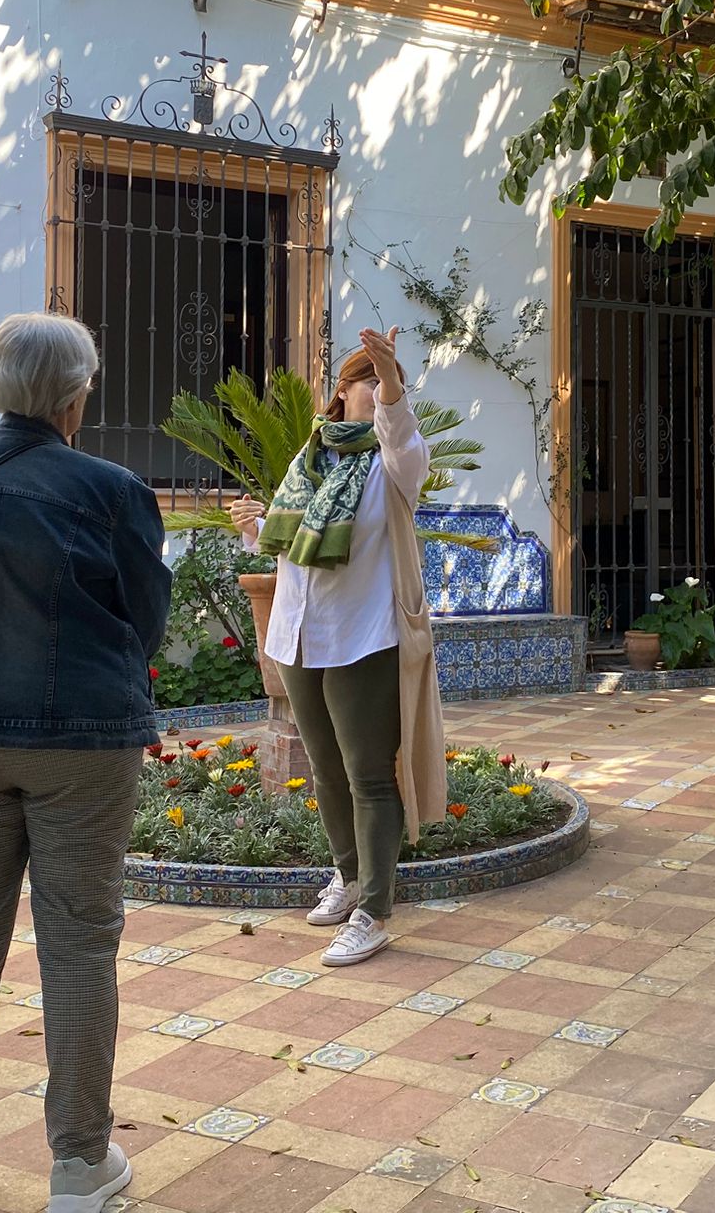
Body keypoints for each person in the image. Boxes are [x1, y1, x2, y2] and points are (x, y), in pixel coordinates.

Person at [0, 313, 170, 1213]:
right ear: (77, 391)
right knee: (80, 941)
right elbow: (146, 616)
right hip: (78, 739)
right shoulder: (111, 487)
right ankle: (79, 1165)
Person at [229, 327, 448, 967]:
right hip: (299, 632)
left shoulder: (394, 466)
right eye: (368, 380)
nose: (378, 391)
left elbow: (404, 438)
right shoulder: (310, 461)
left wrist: (394, 386)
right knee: (324, 770)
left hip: (365, 635)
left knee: (369, 776)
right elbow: (296, 547)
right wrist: (258, 529)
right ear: (342, 392)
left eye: (386, 383)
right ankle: (347, 876)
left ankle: (374, 910)